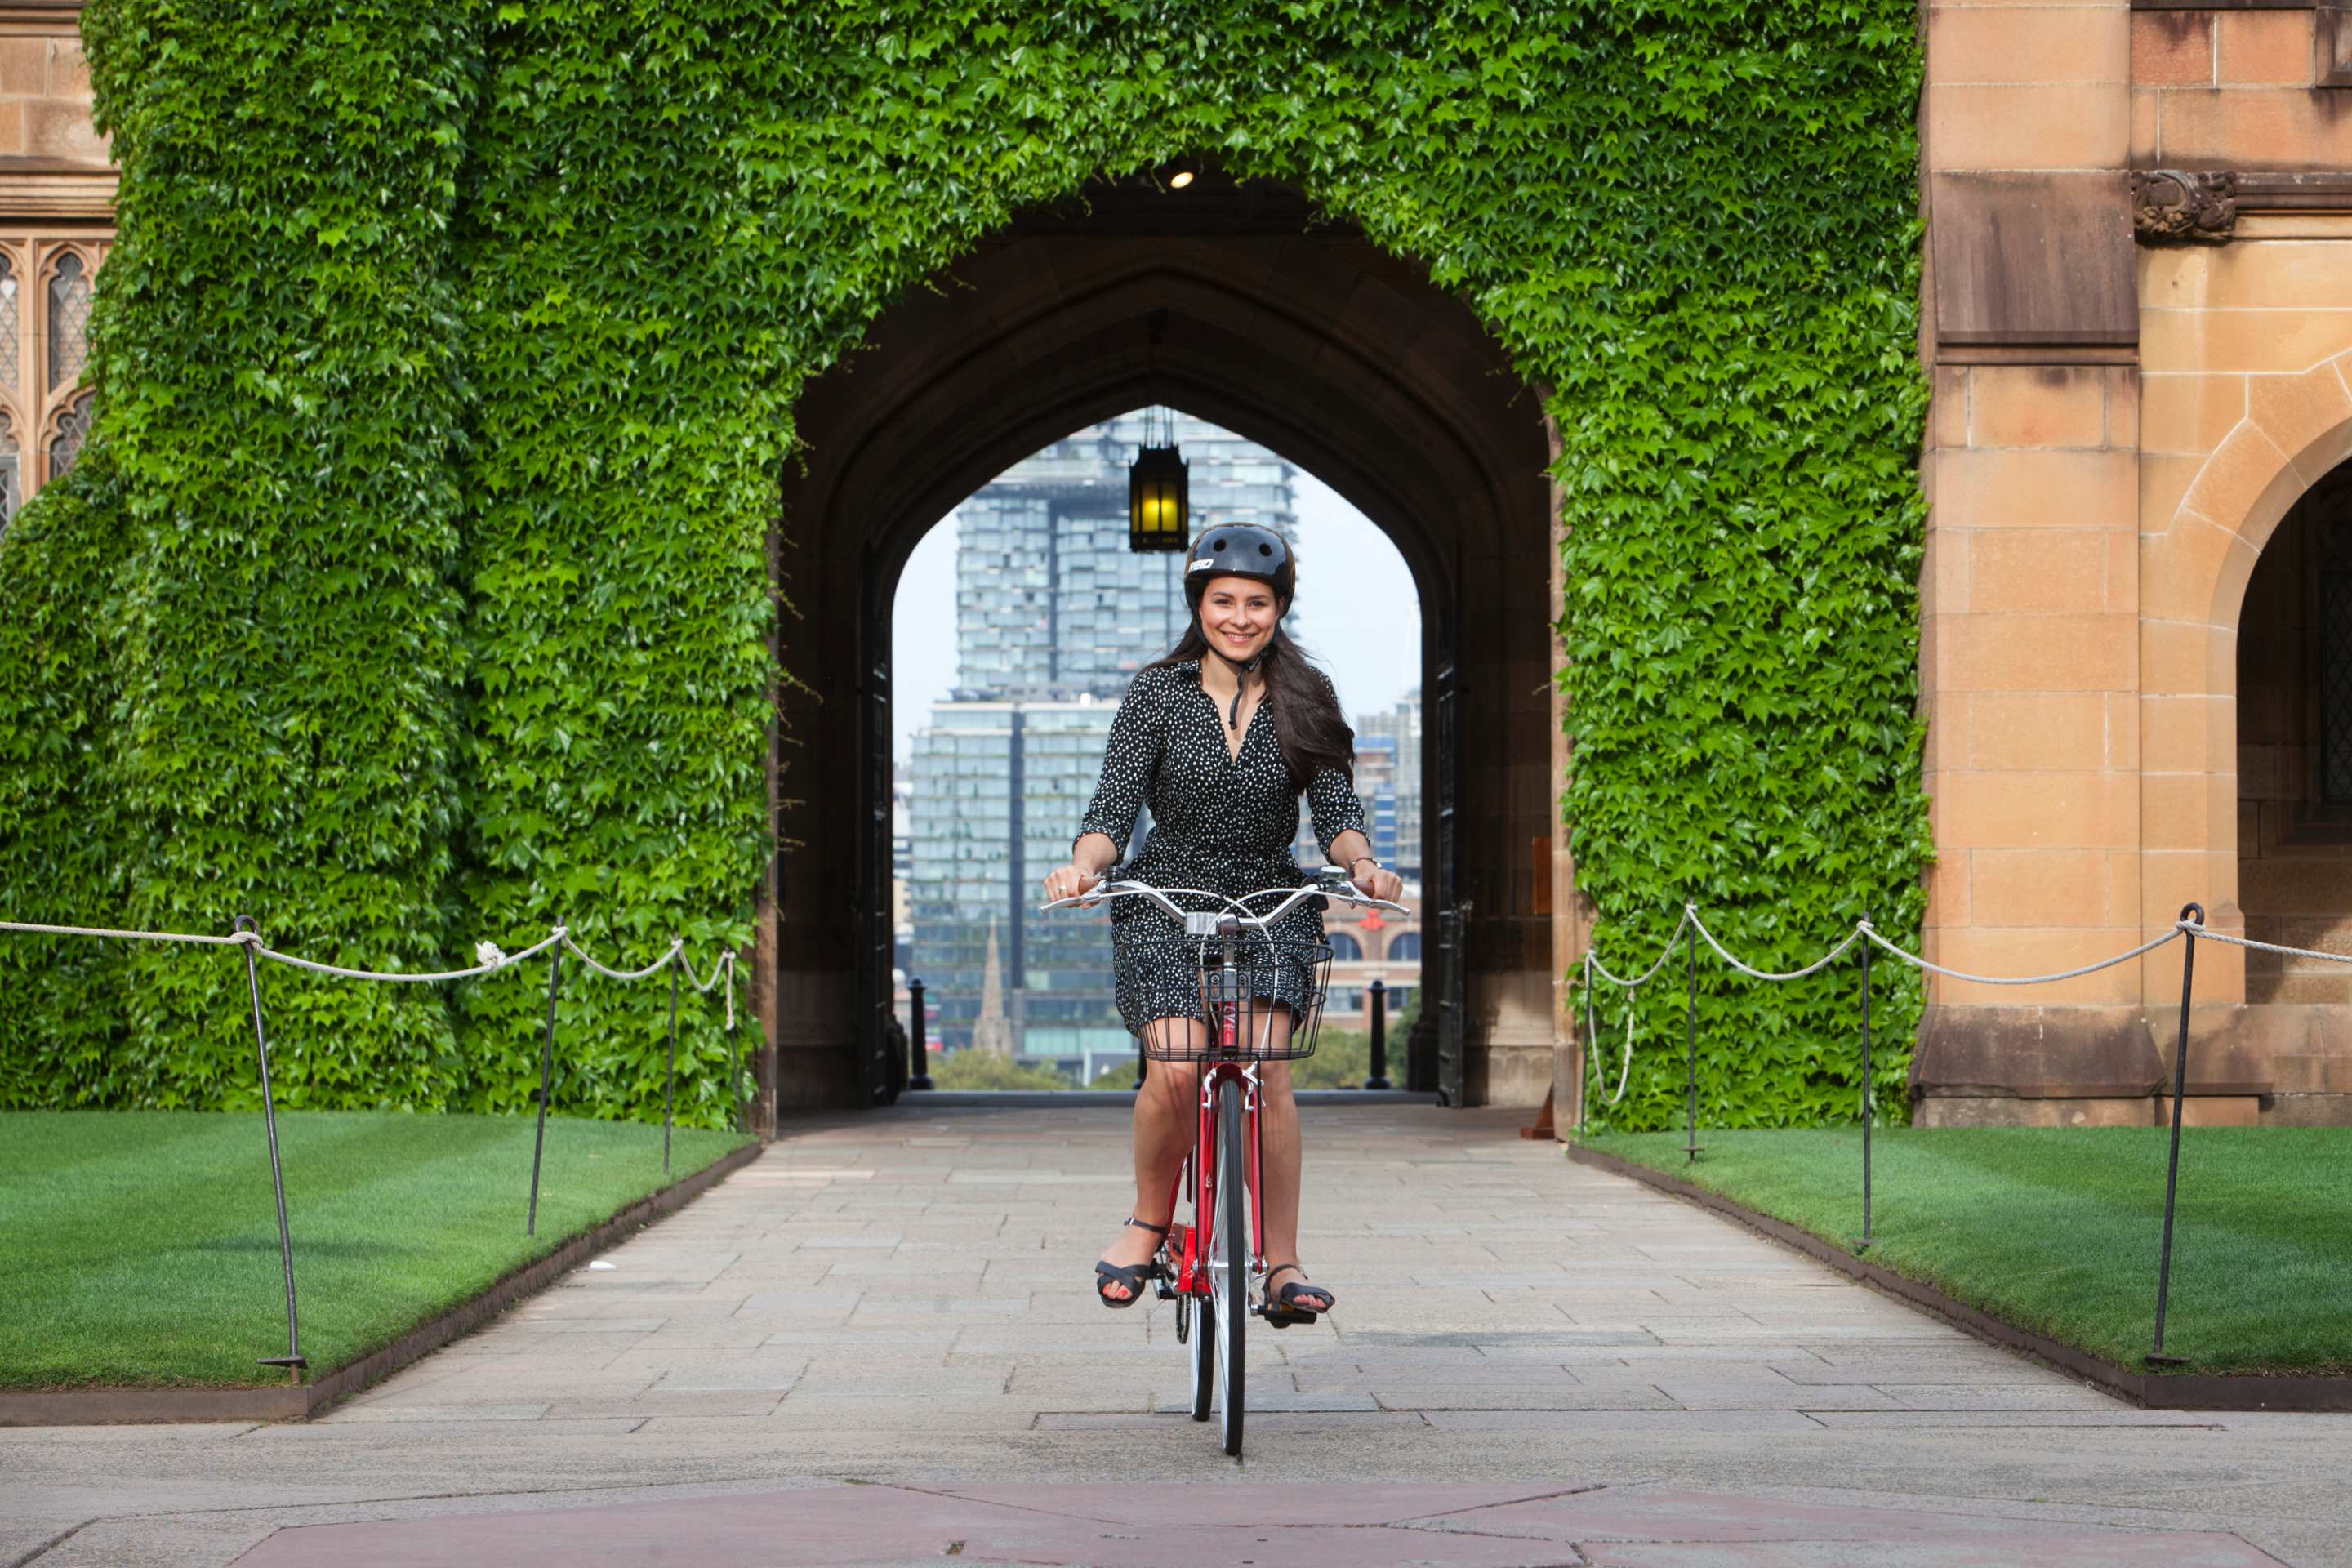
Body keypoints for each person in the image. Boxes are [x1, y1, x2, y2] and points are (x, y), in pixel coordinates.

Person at [1040, 524, 1405, 1324]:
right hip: (1164, 896)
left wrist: (1366, 866)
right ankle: (1146, 1225)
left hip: (1271, 898)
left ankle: (1281, 1264)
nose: (1241, 617)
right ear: (1199, 605)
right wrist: (1085, 866)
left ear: (1279, 610)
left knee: (1268, 1069)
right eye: (1224, 601)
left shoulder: (1308, 698)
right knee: (1176, 1065)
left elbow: (1336, 815)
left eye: (1258, 603)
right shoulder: (1157, 693)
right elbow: (1112, 807)